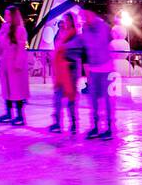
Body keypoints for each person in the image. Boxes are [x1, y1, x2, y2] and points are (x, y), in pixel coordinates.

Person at [0, 5, 30, 125]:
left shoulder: (20, 30)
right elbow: (0, 46)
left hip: (15, 66)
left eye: (8, 14)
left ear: (13, 16)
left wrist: (18, 64)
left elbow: (21, 49)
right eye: (5, 14)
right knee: (7, 90)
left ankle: (20, 116)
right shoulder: (5, 28)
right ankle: (8, 113)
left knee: (17, 90)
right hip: (6, 64)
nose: (5, 16)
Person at [80, 10, 115, 140]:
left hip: (106, 69)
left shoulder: (103, 27)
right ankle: (95, 126)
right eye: (83, 16)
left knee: (107, 101)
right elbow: (86, 49)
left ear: (92, 14)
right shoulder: (85, 29)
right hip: (93, 70)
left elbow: (105, 43)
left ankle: (109, 128)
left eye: (86, 15)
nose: (84, 18)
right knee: (93, 100)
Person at [49, 13, 82, 134]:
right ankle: (57, 122)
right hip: (60, 72)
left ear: (72, 21)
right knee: (57, 96)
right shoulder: (61, 34)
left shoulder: (77, 36)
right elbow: (57, 47)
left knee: (71, 97)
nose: (65, 22)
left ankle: (73, 123)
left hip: (71, 71)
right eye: (64, 20)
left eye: (67, 20)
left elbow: (74, 51)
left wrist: (63, 49)